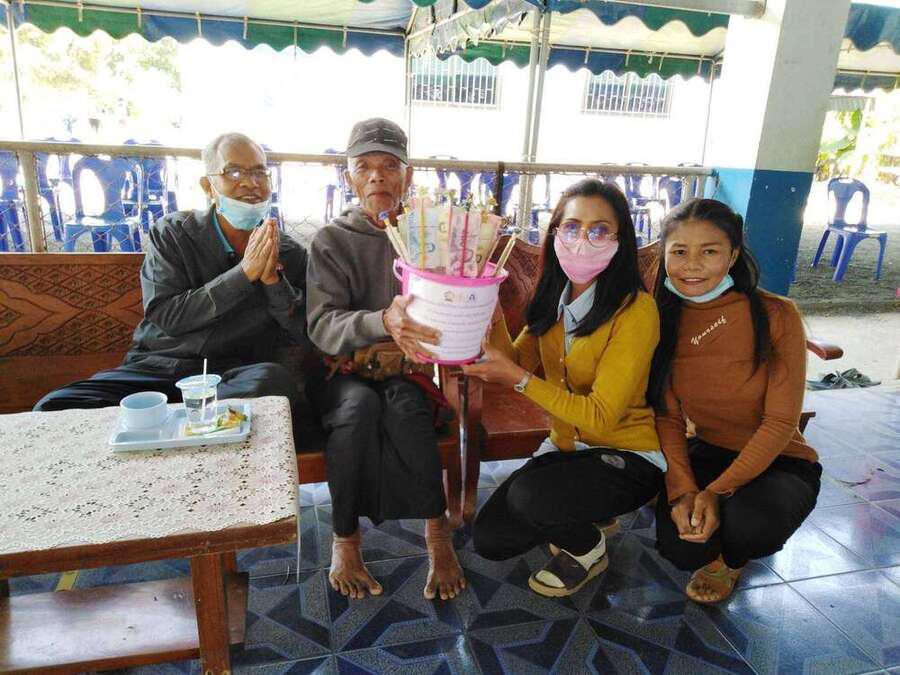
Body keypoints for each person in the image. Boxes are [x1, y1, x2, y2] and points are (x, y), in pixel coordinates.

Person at [462, 178, 664, 597]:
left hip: (627, 455)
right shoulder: (554, 295)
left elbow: (600, 416)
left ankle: (589, 549)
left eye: (599, 230)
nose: (582, 240)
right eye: (571, 227)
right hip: (568, 448)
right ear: (555, 232)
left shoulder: (636, 311)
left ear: (621, 240)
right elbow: (516, 360)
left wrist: (519, 381)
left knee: (530, 498)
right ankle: (586, 509)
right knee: (492, 539)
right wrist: (488, 304)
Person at [305, 118, 465, 601]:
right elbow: (322, 325)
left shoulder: (426, 238)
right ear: (349, 178)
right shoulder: (331, 240)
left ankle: (437, 533)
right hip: (345, 370)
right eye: (364, 167)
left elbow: (449, 305)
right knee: (357, 408)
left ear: (407, 176)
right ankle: (345, 539)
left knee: (406, 407)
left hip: (406, 370)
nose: (377, 176)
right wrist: (382, 321)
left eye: (390, 165)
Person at [34, 132, 306, 411]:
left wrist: (273, 281)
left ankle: (185, 418)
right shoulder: (173, 233)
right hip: (159, 367)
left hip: (229, 376)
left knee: (271, 384)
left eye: (260, 173)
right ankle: (192, 417)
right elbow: (166, 314)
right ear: (208, 186)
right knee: (55, 406)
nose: (251, 183)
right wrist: (243, 274)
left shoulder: (288, 252)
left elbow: (300, 328)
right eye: (234, 172)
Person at [648, 198, 821, 604]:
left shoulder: (777, 314)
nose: (692, 265)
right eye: (679, 251)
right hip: (709, 449)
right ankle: (715, 531)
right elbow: (668, 416)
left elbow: (780, 423)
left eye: (709, 251)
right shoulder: (661, 317)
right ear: (664, 256)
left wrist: (716, 492)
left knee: (751, 526)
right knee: (680, 547)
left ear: (734, 255)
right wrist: (682, 490)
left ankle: (732, 558)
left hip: (781, 459)